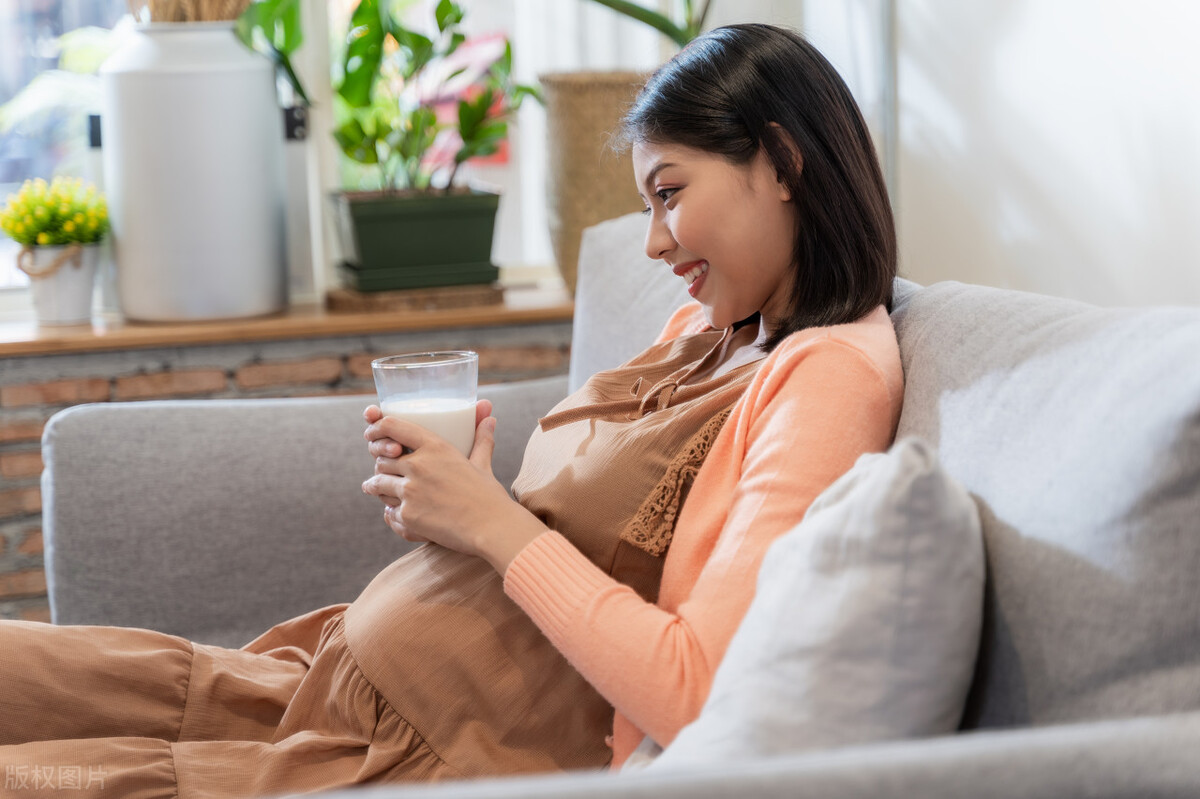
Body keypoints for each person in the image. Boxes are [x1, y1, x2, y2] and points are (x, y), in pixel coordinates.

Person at [0, 23, 902, 798]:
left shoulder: (828, 373)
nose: (656, 242)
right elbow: (581, 543)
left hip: (406, 756)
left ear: (782, 162)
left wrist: (493, 522)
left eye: (669, 193)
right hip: (312, 680)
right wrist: (462, 505)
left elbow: (695, 686)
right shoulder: (710, 325)